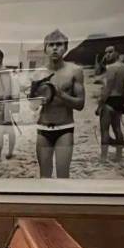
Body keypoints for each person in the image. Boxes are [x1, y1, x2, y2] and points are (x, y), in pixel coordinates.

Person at [33, 29, 85, 178]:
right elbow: (33, 106)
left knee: (63, 177)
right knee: (44, 177)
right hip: (43, 128)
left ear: (66, 48)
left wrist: (60, 94)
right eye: (51, 45)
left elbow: (80, 104)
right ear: (45, 49)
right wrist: (36, 96)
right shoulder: (38, 73)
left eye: (59, 44)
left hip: (65, 128)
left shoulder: (75, 71)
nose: (55, 48)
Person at [97, 45, 124, 161]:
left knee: (104, 130)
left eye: (110, 52)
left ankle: (103, 158)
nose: (107, 55)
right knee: (117, 129)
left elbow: (108, 88)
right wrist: (122, 102)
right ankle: (119, 157)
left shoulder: (111, 68)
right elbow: (123, 87)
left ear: (117, 53)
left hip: (109, 100)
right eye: (106, 52)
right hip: (119, 99)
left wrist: (100, 105)